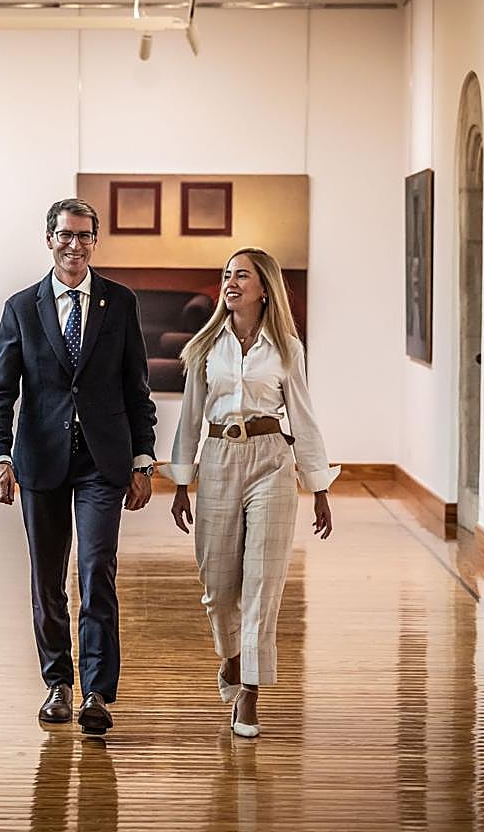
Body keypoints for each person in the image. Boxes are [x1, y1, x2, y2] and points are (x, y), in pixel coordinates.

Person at [0, 198, 158, 735]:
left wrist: (143, 459)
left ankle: (98, 693)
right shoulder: (21, 307)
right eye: (65, 235)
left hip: (103, 461)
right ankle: (58, 683)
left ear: (95, 242)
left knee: (97, 569)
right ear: (49, 239)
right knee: (47, 579)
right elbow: (1, 393)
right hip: (41, 461)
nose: (74, 245)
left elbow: (137, 389)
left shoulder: (119, 303)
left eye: (84, 236)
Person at [163, 247, 337, 738]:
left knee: (263, 583)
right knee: (218, 587)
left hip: (271, 462)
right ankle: (232, 658)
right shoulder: (204, 346)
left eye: (242, 275)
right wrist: (181, 483)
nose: (231, 282)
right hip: (218, 458)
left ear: (264, 289)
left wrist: (319, 487)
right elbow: (190, 418)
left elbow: (303, 416)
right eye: (227, 274)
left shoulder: (287, 348)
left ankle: (250, 695)